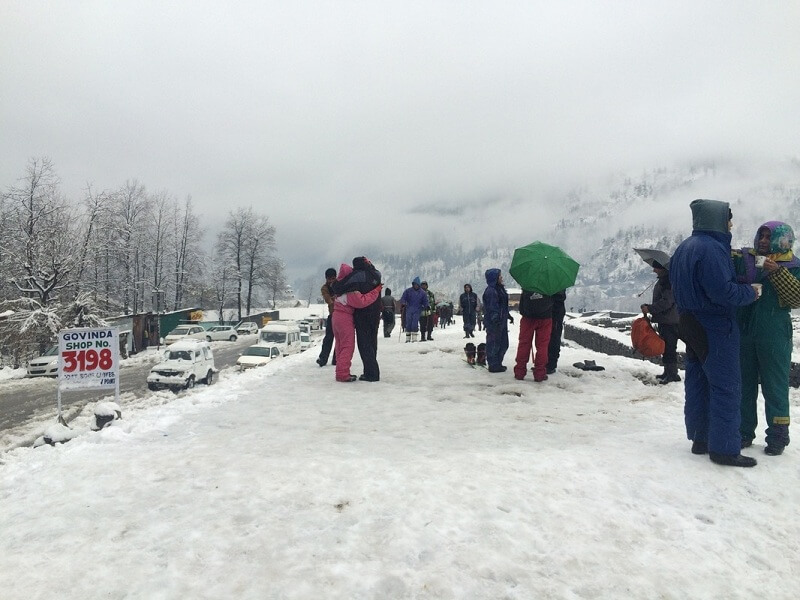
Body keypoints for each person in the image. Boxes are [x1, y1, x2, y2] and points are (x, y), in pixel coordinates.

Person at [670, 199, 759, 467]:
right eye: (728, 218)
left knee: (698, 378)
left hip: (688, 320)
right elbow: (722, 292)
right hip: (714, 324)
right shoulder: (713, 250)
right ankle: (724, 449)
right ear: (719, 220)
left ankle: (701, 438)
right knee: (726, 385)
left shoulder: (684, 247)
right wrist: (751, 292)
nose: (731, 223)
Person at [733, 221, 800, 456]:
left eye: (768, 236)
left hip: (774, 334)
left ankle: (778, 435)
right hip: (744, 331)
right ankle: (743, 432)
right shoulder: (744, 258)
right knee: (744, 384)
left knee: (775, 385)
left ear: (783, 240)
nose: (762, 240)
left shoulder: (792, 265)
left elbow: (797, 299)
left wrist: (776, 272)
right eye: (760, 235)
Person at [332, 257, 382, 382]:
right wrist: (376, 290)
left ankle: (369, 373)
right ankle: (368, 371)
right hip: (375, 313)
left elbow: (339, 289)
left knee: (357, 344)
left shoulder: (355, 277)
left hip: (360, 315)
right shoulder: (376, 274)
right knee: (371, 342)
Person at [641, 260, 680, 384]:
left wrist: (651, 308)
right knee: (667, 347)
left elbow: (667, 302)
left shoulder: (667, 282)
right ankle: (668, 372)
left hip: (669, 320)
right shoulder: (666, 280)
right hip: (667, 319)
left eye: (656, 268)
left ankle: (672, 374)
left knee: (669, 347)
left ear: (662, 269)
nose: (654, 270)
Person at [514, 289, 553, 382]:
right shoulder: (549, 285)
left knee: (524, 344)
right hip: (545, 318)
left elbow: (522, 305)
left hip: (528, 318)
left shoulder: (528, 283)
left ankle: (520, 372)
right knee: (542, 347)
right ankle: (540, 374)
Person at [482, 268, 513, 372]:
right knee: (494, 344)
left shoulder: (499, 289)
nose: (501, 277)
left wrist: (507, 315)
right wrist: (495, 319)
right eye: (500, 276)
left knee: (504, 343)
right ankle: (493, 365)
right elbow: (492, 307)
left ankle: (498, 363)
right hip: (494, 323)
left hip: (502, 321)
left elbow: (502, 305)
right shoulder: (491, 291)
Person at [316, 268, 337, 367]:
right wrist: (335, 298)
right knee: (328, 338)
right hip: (333, 314)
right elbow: (328, 299)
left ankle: (336, 359)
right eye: (329, 279)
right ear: (326, 279)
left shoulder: (340, 284)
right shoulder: (324, 288)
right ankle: (323, 358)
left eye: (333, 278)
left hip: (343, 315)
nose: (331, 281)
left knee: (340, 339)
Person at [399, 277, 429, 343]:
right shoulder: (408, 291)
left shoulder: (422, 293)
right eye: (414, 284)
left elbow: (425, 301)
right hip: (409, 309)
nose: (416, 286)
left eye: (417, 284)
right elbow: (403, 298)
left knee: (414, 323)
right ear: (413, 284)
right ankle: (408, 338)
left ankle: (414, 338)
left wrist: (426, 306)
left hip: (417, 309)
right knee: (408, 323)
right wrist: (403, 303)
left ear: (418, 285)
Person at [546, 290, 567, 374]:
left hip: (556, 312)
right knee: (547, 338)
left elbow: (559, 298)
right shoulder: (558, 284)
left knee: (554, 338)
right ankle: (545, 362)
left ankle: (551, 364)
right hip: (550, 311)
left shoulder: (558, 289)